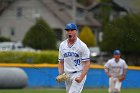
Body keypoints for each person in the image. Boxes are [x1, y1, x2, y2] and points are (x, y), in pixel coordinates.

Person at [57, 22, 90, 93]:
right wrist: (60, 74)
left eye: (72, 30)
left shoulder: (82, 46)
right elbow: (61, 62)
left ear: (76, 31)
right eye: (68, 30)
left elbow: (87, 63)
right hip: (67, 75)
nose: (70, 32)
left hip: (78, 73)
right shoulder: (62, 45)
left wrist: (81, 77)